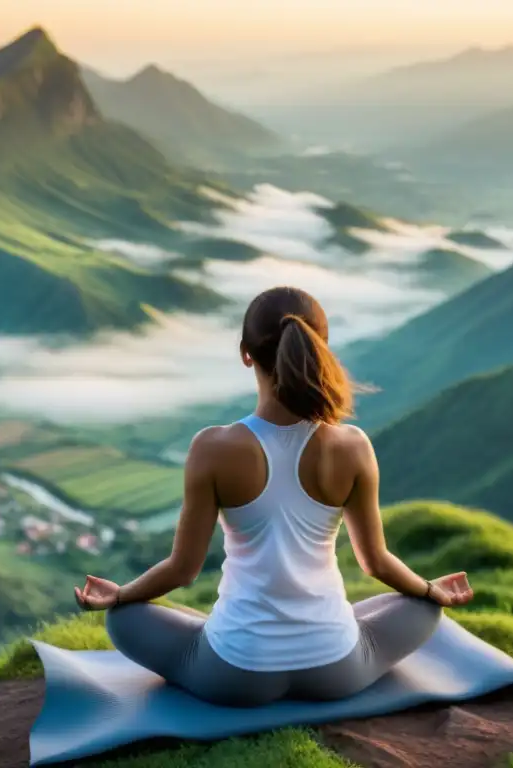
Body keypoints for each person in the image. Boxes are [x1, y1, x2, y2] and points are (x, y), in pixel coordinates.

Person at [74, 286, 475, 708]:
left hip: (234, 675)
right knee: (420, 607)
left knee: (124, 619)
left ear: (246, 353)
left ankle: (218, 630)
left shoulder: (212, 447)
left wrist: (120, 595)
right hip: (337, 669)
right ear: (322, 347)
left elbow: (182, 570)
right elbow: (375, 562)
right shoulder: (353, 446)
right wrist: (430, 591)